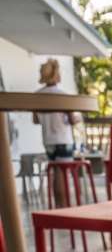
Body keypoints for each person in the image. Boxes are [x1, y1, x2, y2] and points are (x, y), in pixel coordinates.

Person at [32, 59, 80, 206]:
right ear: (56, 74)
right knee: (63, 173)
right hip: (63, 139)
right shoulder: (62, 96)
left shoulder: (36, 96)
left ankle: (58, 205)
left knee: (55, 171)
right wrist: (77, 118)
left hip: (48, 140)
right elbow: (71, 120)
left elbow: (36, 120)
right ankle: (64, 206)